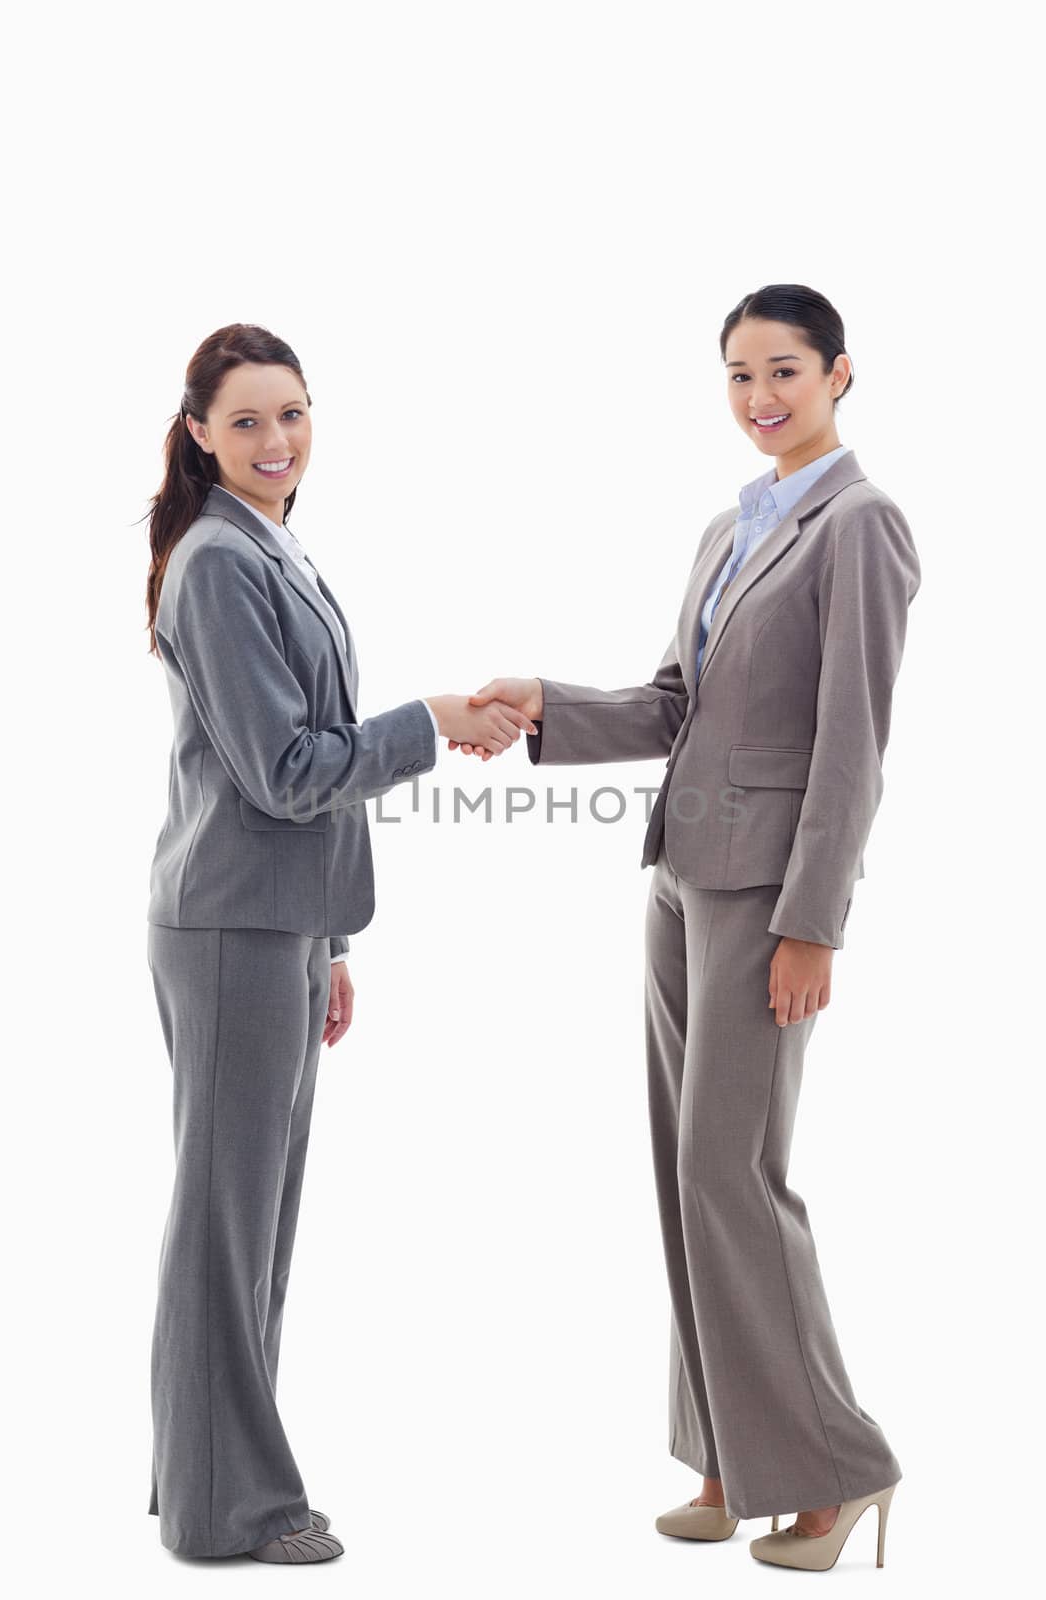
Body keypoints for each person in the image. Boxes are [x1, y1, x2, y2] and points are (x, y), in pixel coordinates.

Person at [456, 284, 918, 1573]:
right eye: (735, 374)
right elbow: (673, 706)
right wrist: (542, 703)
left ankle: (833, 1468)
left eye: (782, 370)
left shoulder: (861, 525)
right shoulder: (727, 529)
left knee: (734, 1173)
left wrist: (811, 921)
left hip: (769, 895)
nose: (758, 396)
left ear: (837, 375)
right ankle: (733, 1450)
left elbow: (850, 744)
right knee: (683, 1168)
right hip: (676, 876)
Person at [143, 322, 535, 1563]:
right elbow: (284, 770)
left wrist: (332, 939)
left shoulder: (269, 543)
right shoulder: (217, 561)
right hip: (229, 927)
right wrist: (429, 720)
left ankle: (208, 1476)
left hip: (276, 922)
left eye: (294, 413)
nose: (277, 441)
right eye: (249, 419)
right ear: (200, 430)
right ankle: (229, 1508)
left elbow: (293, 769)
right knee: (226, 1219)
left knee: (250, 1221)